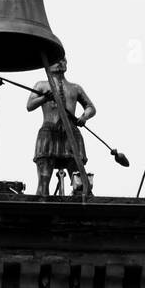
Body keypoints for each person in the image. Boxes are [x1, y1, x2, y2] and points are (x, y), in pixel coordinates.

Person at [27, 58, 96, 196]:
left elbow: (91, 107)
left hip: (71, 132)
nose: (60, 63)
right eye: (55, 60)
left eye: (63, 60)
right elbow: (30, 105)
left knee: (79, 180)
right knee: (44, 180)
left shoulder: (75, 88)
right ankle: (42, 203)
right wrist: (44, 98)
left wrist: (84, 117)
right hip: (49, 131)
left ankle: (83, 202)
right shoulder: (41, 85)